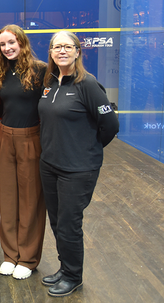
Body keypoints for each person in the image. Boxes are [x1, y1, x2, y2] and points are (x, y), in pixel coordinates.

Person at [38, 30, 119, 297]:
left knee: (70, 222)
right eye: (56, 46)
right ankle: (65, 267)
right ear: (50, 52)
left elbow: (110, 125)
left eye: (67, 46)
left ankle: (73, 276)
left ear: (77, 51)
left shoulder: (88, 85)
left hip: (78, 169)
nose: (62, 51)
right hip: (49, 164)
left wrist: (88, 150)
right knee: (57, 221)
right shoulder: (49, 83)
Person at [0, 25, 47, 279]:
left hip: (30, 138)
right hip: (5, 137)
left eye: (11, 42)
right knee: (7, 198)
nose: (7, 48)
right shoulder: (0, 71)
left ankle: (27, 258)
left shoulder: (41, 70)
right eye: (3, 44)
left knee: (30, 201)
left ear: (22, 42)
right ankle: (10, 254)